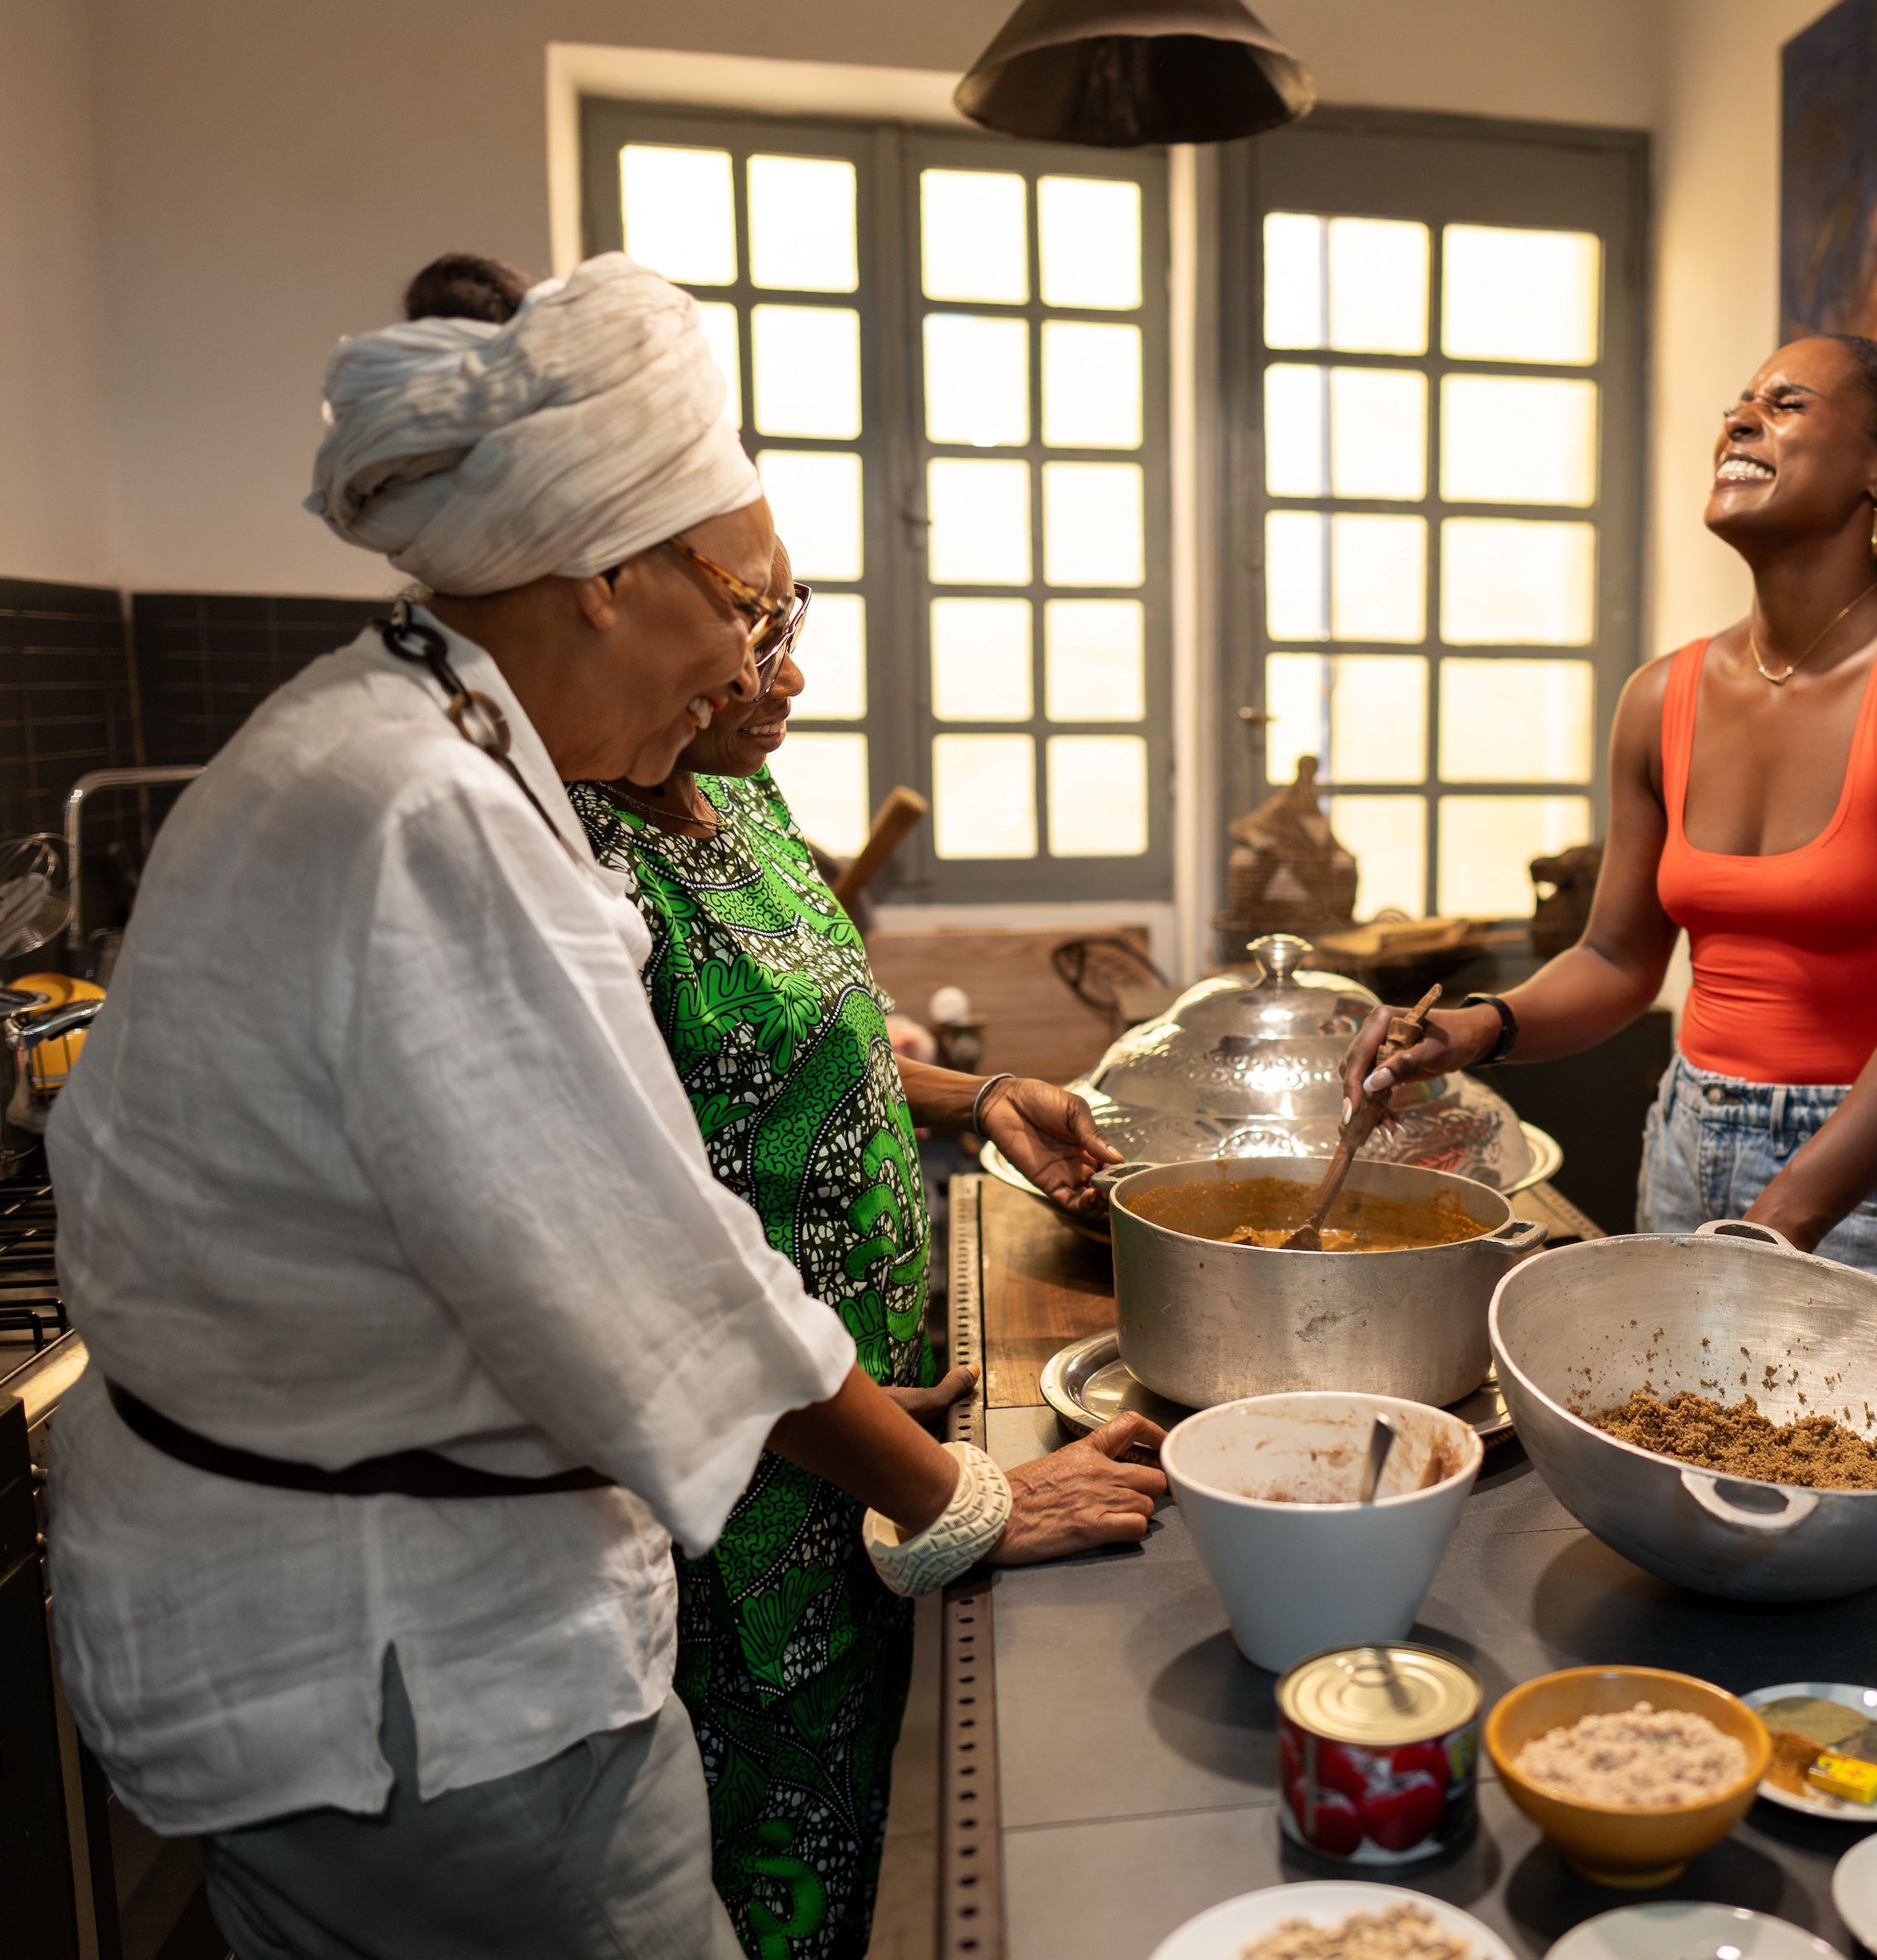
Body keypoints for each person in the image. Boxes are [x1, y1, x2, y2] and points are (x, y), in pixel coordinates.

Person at [46, 254, 1161, 1960]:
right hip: (424, 1680)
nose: (741, 664)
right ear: (603, 575)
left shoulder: (406, 744)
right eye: (741, 601)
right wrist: (964, 1497)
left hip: (329, 1659)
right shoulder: (432, 811)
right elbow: (659, 1272)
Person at [566, 534, 1123, 1955]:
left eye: (783, 619)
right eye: (748, 635)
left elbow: (821, 1041)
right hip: (739, 1480)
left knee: (851, 1816)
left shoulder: (741, 801)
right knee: (759, 1852)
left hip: (866, 1429)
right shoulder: (565, 859)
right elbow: (660, 1264)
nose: (787, 670)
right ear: (618, 619)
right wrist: (965, 1496)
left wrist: (982, 1095)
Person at [1348, 335, 1877, 1290]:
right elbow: (1616, 960)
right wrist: (1481, 1025)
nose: (1741, 418)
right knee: (1674, 1447)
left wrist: (1784, 1215)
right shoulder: (1659, 695)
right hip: (1686, 1140)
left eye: (1788, 403)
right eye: (1740, 402)